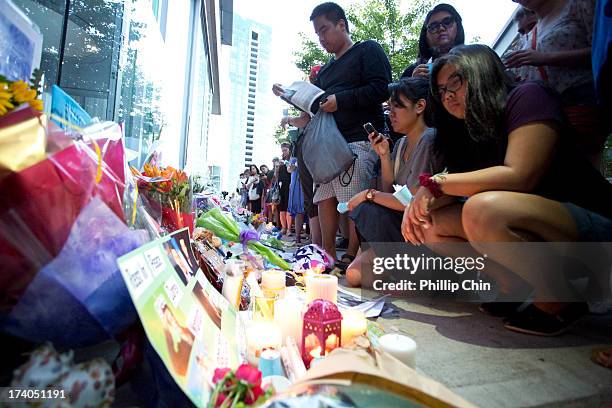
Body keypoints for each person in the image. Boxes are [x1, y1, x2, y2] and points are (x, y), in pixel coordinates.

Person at [401, 44, 612, 336]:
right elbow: (452, 186)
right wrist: (421, 203)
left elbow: (520, 175)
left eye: (456, 82)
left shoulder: (527, 97)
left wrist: (436, 183)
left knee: (482, 209)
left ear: (482, 73)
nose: (448, 95)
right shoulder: (466, 132)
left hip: (591, 230)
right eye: (440, 89)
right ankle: (511, 288)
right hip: (539, 235)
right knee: (430, 225)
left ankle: (559, 299)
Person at [273, 2, 392, 268]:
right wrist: (290, 96)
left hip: (360, 139)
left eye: (324, 29)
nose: (322, 38)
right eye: (317, 33)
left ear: (342, 24)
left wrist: (342, 100)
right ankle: (326, 252)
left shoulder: (367, 50)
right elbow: (313, 110)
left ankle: (353, 254)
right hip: (327, 145)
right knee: (324, 196)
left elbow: (382, 89)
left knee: (355, 198)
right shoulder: (325, 71)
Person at [346, 78, 442, 286]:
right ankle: (398, 268)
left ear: (420, 106)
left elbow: (411, 201)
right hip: (400, 225)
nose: (391, 114)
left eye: (398, 106)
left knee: (365, 207)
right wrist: (384, 156)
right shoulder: (401, 144)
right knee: (354, 274)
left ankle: (414, 270)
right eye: (390, 108)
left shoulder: (429, 139)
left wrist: (368, 194)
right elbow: (390, 192)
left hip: (421, 229)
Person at [505, 0, 605, 168]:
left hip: (580, 101)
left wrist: (545, 58)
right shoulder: (535, 30)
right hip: (546, 109)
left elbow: (601, 52)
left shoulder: (578, 5)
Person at [401, 3, 465, 79]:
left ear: (458, 27)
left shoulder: (475, 61)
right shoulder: (413, 72)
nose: (441, 28)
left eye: (447, 22)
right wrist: (413, 84)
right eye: (433, 27)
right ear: (426, 36)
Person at [287, 156, 306, 244]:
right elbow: (289, 169)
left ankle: (313, 237)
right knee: (298, 209)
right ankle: (297, 236)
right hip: (296, 182)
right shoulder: (294, 153)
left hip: (306, 179)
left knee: (309, 209)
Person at [277, 143, 293, 235]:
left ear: (289, 150)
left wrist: (286, 163)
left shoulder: (291, 159)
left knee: (288, 207)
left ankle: (289, 229)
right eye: (282, 150)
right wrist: (277, 167)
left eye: (285, 150)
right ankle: (283, 227)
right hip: (281, 186)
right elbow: (276, 175)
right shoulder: (281, 161)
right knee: (281, 207)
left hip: (289, 185)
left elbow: (292, 171)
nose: (283, 152)